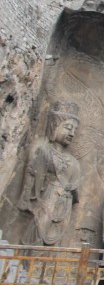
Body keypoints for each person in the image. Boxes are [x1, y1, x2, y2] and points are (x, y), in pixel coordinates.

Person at [18, 101, 81, 247]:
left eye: (75, 130)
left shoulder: (73, 162)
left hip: (64, 205)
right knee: (38, 232)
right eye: (68, 128)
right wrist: (28, 199)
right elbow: (31, 176)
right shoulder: (43, 150)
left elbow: (75, 188)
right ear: (54, 126)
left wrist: (71, 189)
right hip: (46, 201)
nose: (72, 133)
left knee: (56, 240)